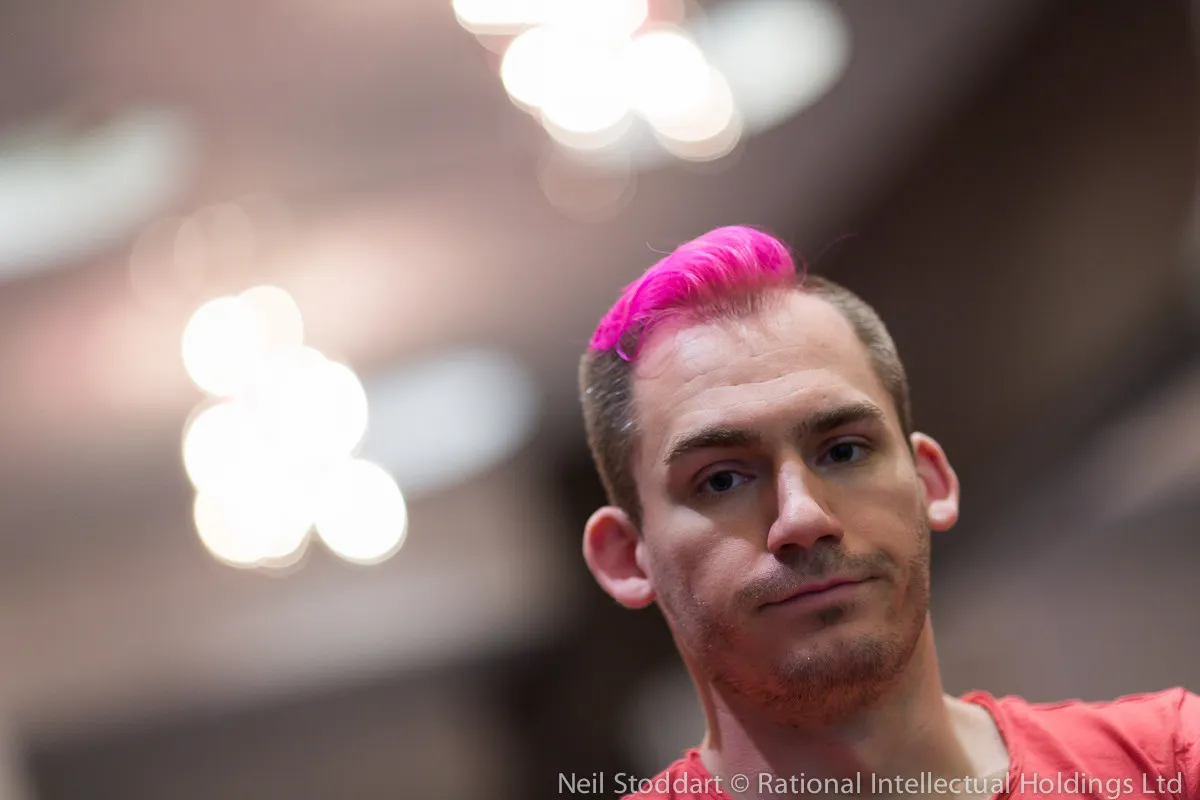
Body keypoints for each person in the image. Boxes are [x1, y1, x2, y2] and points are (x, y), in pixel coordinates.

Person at [576, 225, 1200, 800]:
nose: (803, 518)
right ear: (626, 558)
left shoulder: (1167, 763)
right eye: (721, 480)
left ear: (931, 481)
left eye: (843, 451)